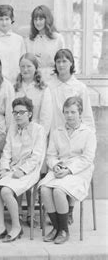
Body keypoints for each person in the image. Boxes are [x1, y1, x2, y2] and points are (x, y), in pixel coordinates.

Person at [0, 97, 46, 243]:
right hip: (12, 169)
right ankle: (1, 226)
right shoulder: (12, 129)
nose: (18, 115)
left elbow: (37, 156)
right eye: (15, 113)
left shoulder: (38, 130)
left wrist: (22, 170)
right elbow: (6, 152)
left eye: (21, 112)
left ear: (30, 114)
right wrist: (4, 169)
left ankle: (16, 227)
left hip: (29, 171)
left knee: (6, 191)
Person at [39, 96, 96, 244]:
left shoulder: (88, 133)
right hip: (59, 168)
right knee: (44, 189)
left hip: (79, 170)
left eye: (73, 112)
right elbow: (51, 155)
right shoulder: (57, 131)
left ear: (80, 113)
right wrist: (55, 165)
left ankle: (64, 230)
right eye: (66, 112)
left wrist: (69, 170)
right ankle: (56, 228)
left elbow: (87, 159)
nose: (69, 115)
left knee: (58, 190)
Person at [49, 49, 95, 132]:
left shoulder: (80, 88)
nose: (61, 64)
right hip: (54, 134)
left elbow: (87, 115)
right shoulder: (49, 87)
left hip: (74, 134)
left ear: (71, 63)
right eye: (58, 61)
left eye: (64, 61)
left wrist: (88, 135)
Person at [0, 5, 26, 84]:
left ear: (12, 20)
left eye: (7, 19)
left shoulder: (19, 40)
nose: (4, 23)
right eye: (1, 19)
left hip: (16, 82)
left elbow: (23, 62)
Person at [14, 53, 52, 136]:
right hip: (17, 134)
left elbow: (46, 117)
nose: (25, 69)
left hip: (36, 134)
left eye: (29, 66)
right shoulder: (14, 88)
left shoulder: (43, 89)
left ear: (35, 68)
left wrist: (41, 137)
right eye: (22, 66)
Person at [25, 5, 65, 82]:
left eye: (41, 19)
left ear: (47, 20)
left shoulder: (57, 39)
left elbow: (62, 61)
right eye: (35, 19)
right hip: (34, 79)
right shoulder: (29, 40)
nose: (38, 22)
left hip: (53, 79)